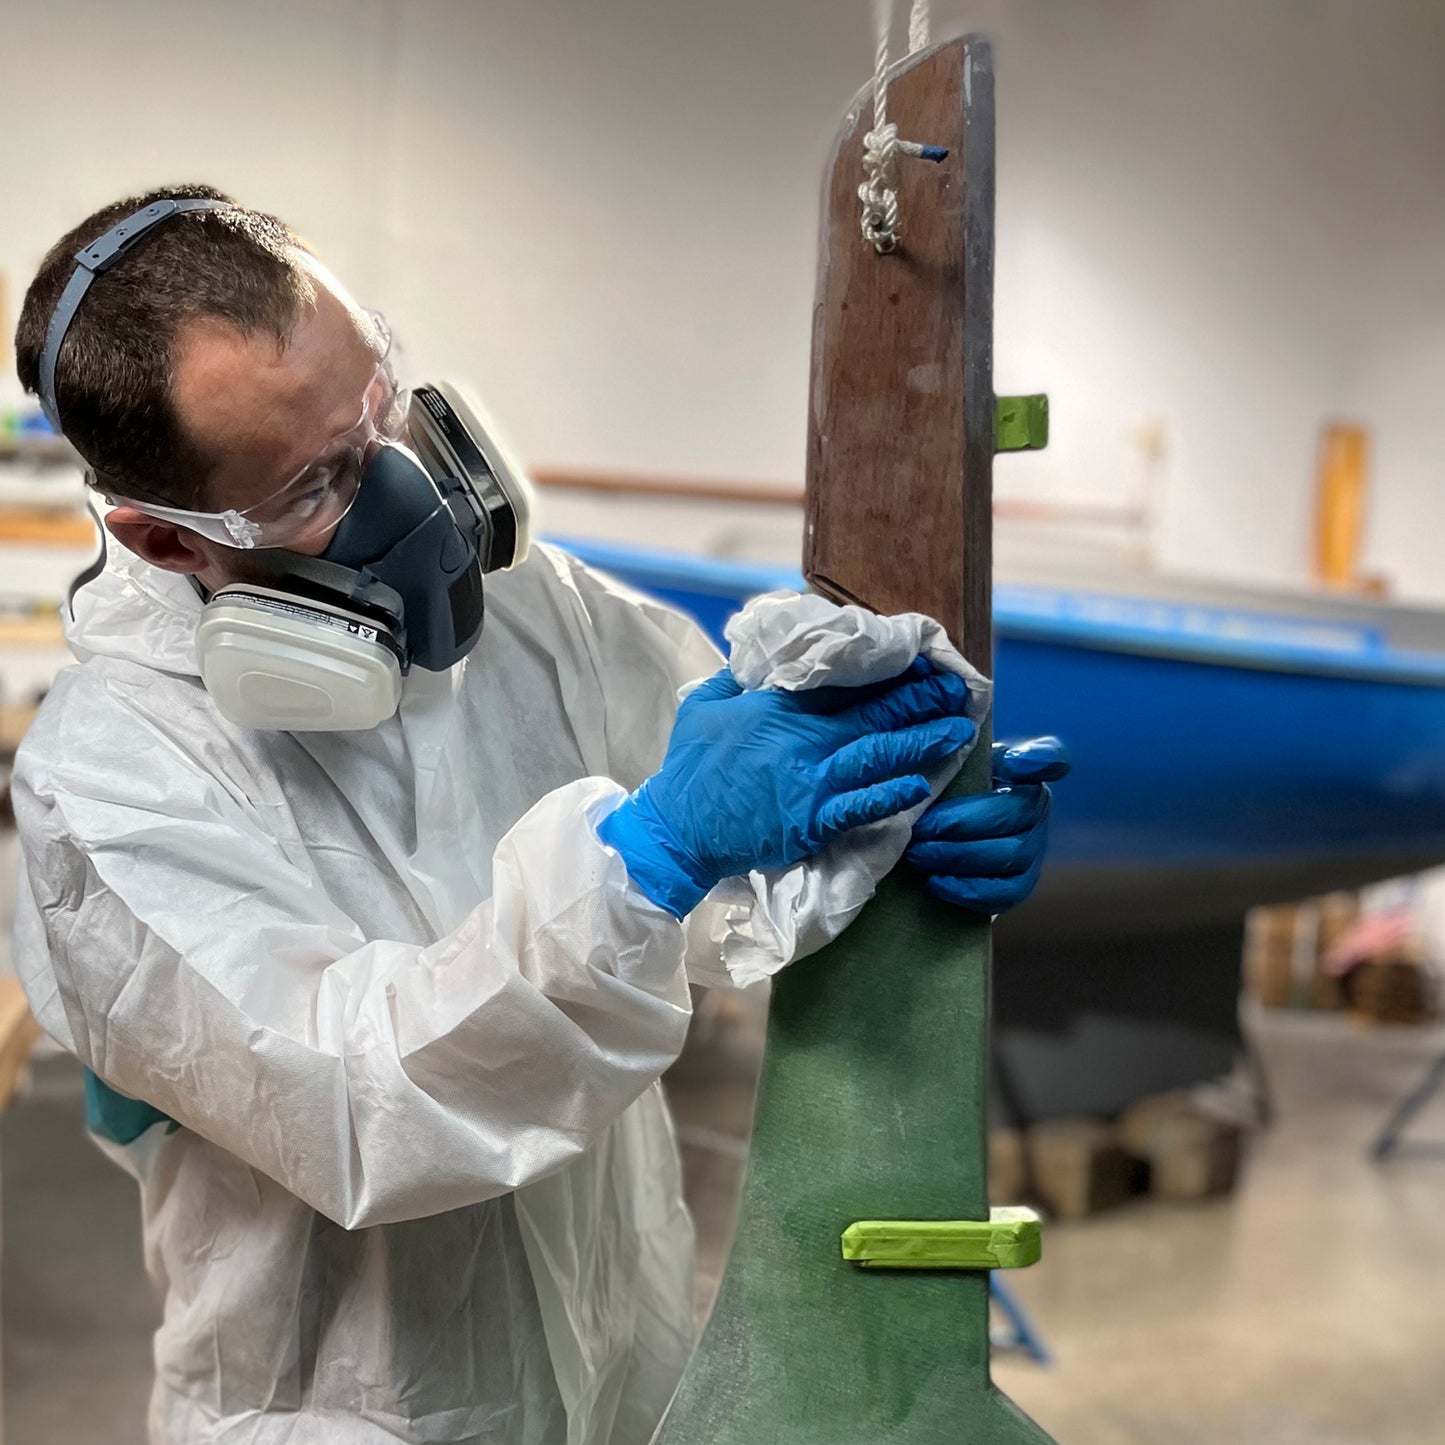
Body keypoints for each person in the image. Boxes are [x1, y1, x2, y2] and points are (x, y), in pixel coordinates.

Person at [8, 185, 1069, 1445]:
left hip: (622, 1360)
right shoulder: (107, 780)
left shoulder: (531, 612)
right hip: (345, 1407)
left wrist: (883, 822)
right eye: (319, 483)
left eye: (379, 404)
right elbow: (356, 1098)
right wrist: (649, 857)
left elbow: (725, 829)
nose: (405, 491)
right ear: (172, 543)